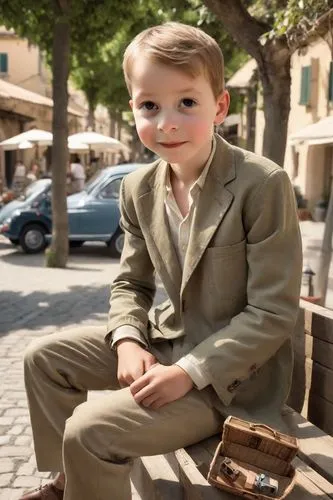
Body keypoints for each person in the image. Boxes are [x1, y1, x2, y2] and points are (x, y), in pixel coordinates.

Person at [20, 22, 302, 500]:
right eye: (150, 105)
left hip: (229, 382)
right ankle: (68, 483)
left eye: (187, 103)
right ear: (133, 108)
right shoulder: (137, 187)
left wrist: (188, 372)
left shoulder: (262, 184)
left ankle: (84, 471)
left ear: (219, 106)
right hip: (164, 343)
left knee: (91, 429)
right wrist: (128, 339)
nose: (166, 122)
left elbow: (273, 313)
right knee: (43, 359)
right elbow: (131, 283)